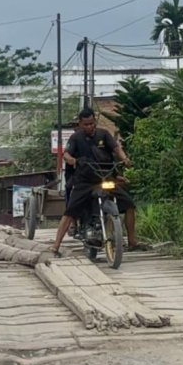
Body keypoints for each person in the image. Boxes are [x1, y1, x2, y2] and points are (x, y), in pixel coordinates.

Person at [50, 108, 137, 256]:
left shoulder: (104, 134)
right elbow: (66, 154)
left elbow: (116, 148)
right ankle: (56, 245)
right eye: (86, 124)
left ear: (95, 122)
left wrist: (124, 159)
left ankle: (132, 242)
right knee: (70, 211)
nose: (89, 126)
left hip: (105, 178)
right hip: (85, 181)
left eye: (91, 123)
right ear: (80, 124)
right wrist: (71, 160)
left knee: (129, 205)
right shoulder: (76, 138)